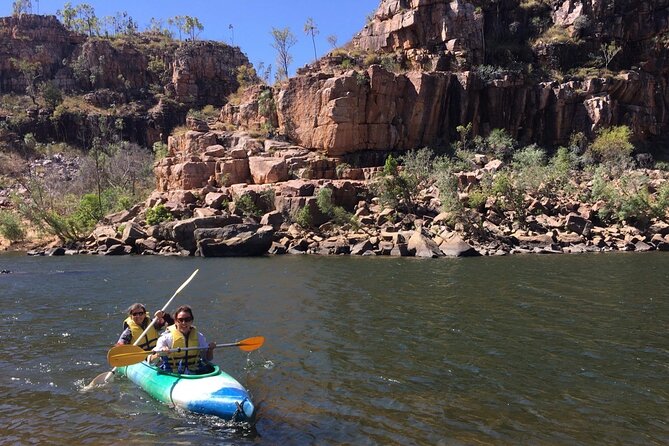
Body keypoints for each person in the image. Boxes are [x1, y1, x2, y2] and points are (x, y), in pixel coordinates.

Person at [150, 305, 216, 374]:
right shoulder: (166, 338)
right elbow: (151, 361)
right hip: (172, 372)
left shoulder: (199, 337)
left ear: (191, 321)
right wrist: (160, 353)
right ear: (175, 321)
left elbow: (208, 359)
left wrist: (210, 350)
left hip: (195, 371)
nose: (184, 323)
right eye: (180, 320)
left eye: (187, 319)